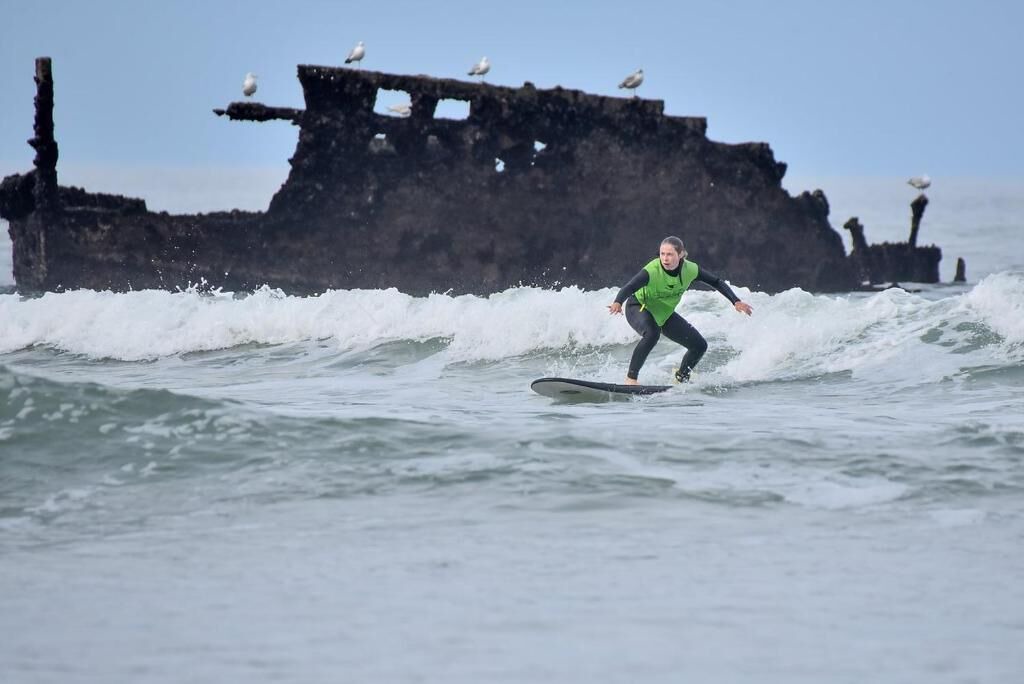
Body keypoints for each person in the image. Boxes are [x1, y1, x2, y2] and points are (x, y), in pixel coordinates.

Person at [607, 236, 753, 385]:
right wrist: (618, 302)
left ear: (681, 254)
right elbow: (630, 286)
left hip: (664, 313)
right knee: (652, 334)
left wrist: (736, 301)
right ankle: (631, 379)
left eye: (670, 254)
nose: (665, 258)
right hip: (638, 306)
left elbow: (715, 282)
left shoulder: (690, 269)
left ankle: (680, 378)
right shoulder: (652, 270)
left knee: (699, 346)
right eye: (662, 254)